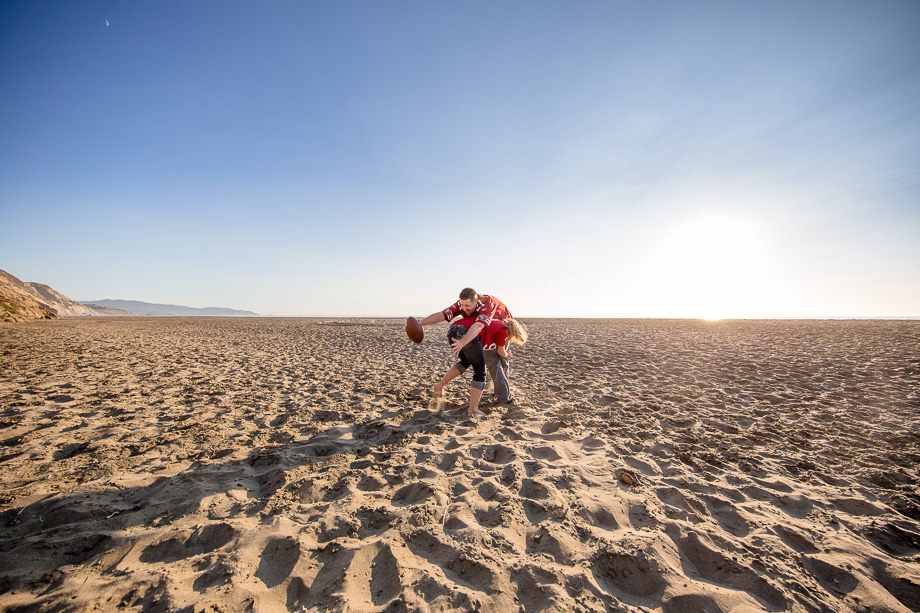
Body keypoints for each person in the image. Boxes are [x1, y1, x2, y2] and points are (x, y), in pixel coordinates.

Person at [420, 288, 513, 417]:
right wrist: (421, 323)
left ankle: (501, 394)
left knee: (499, 360)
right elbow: (443, 314)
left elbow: (479, 325)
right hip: (479, 332)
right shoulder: (463, 304)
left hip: (501, 328)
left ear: (476, 301)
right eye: (462, 305)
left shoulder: (488, 302)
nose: (463, 308)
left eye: (467, 306)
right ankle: (484, 403)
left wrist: (463, 342)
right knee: (483, 365)